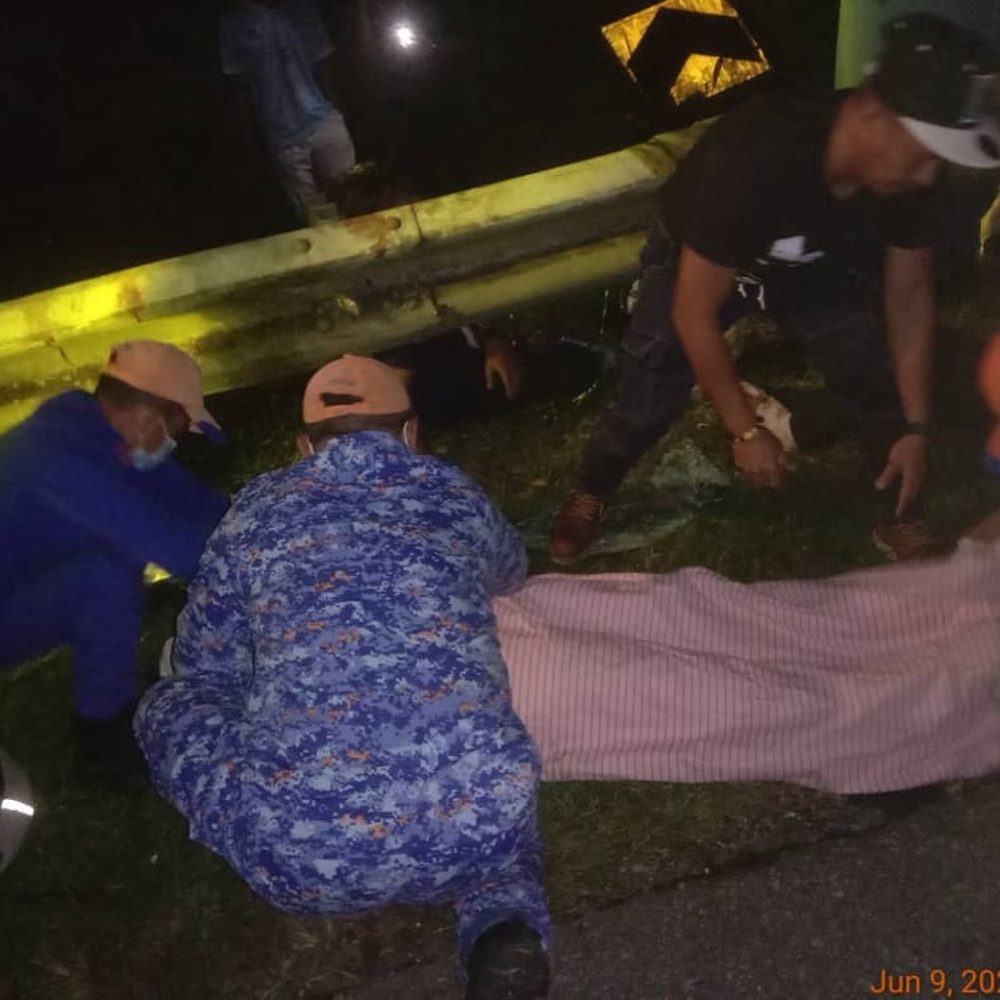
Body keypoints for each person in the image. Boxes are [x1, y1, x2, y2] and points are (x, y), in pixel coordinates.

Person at [135, 356, 551, 1000]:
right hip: (473, 826)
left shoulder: (253, 514)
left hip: (306, 862)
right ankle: (500, 921)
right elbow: (511, 574)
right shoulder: (453, 492)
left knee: (167, 702)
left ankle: (294, 787)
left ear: (304, 447)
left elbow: (203, 663)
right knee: (498, 803)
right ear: (410, 432)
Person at [549, 12, 1000, 565]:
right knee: (653, 380)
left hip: (812, 265)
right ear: (872, 114)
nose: (929, 176)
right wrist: (744, 433)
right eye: (925, 154)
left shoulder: (907, 182)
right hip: (703, 256)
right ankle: (593, 487)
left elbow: (909, 297)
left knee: (868, 363)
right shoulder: (757, 156)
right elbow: (695, 314)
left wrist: (915, 425)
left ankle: (899, 514)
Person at [0, 341, 228, 782]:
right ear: (148, 418)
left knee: (114, 567)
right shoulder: (53, 457)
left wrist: (266, 531)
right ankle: (101, 738)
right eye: (176, 433)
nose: (174, 445)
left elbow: (199, 506)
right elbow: (180, 550)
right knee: (107, 574)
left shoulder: (101, 432)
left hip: (21, 581)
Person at [219, 0, 357, 221]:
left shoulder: (301, 8)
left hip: (324, 123)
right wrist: (253, 143)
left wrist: (338, 117)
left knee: (352, 205)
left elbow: (324, 68)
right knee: (316, 220)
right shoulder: (233, 23)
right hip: (282, 138)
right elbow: (241, 88)